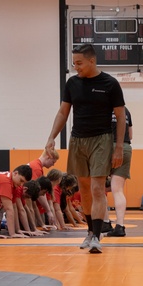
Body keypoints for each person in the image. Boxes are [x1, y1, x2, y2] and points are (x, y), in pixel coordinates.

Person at [45, 43, 126, 254]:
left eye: (79, 63)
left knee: (98, 188)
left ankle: (98, 237)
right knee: (84, 188)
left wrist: (118, 147)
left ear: (92, 61)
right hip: (78, 139)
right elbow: (63, 113)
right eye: (74, 64)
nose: (76, 67)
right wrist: (52, 136)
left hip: (102, 139)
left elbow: (120, 117)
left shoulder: (110, 83)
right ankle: (90, 231)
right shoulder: (72, 83)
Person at [107, 106, 133, 237]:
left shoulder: (104, 107)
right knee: (118, 190)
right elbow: (131, 134)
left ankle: (105, 222)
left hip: (107, 146)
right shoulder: (126, 110)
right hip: (125, 147)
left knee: (99, 186)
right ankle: (120, 225)